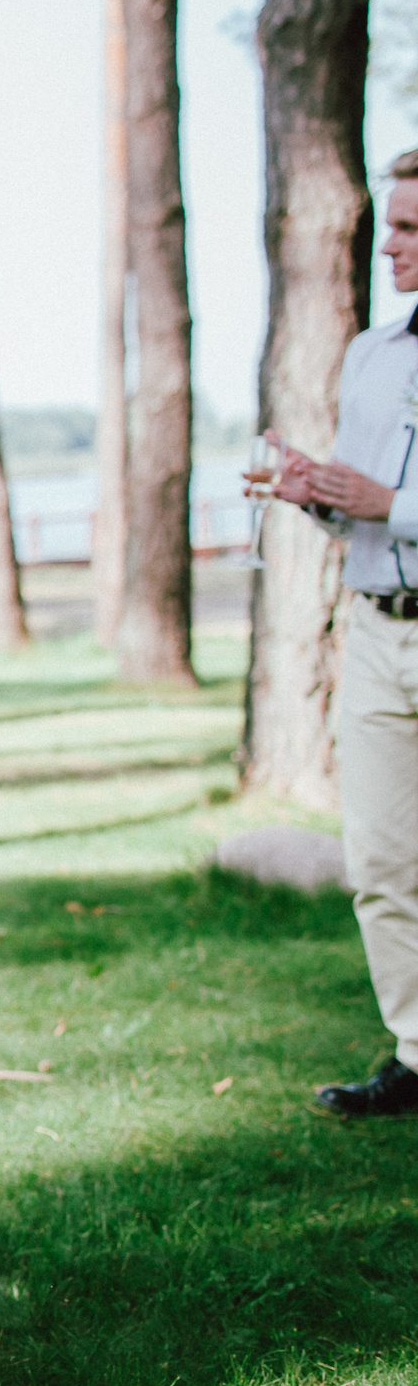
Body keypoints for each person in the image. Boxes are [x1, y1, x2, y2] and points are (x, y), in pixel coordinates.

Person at [267, 148, 418, 1119]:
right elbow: (362, 504)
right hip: (375, 634)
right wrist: (316, 494)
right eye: (393, 224)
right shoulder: (371, 352)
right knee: (379, 860)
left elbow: (392, 501)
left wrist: (393, 502)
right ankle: (417, 1055)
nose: (390, 244)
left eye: (409, 230)